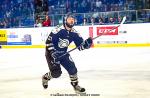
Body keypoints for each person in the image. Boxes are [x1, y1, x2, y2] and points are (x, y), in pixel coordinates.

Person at [42, 13, 93, 93]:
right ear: (65, 20)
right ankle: (45, 78)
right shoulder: (58, 29)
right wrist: (52, 52)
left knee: (72, 68)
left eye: (73, 19)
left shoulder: (74, 33)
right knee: (56, 73)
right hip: (51, 53)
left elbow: (80, 47)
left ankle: (75, 85)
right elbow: (48, 42)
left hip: (63, 53)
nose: (72, 20)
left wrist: (87, 44)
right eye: (70, 19)